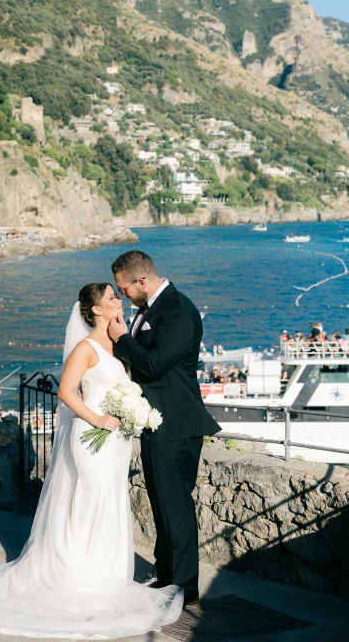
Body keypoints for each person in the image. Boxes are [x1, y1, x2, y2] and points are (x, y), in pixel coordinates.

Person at [0, 282, 182, 637]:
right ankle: (84, 578)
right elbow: (66, 392)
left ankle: (108, 576)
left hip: (117, 442)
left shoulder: (121, 343)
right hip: (91, 439)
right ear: (96, 310)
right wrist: (97, 419)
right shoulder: (85, 348)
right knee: (91, 501)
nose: (120, 300)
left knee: (111, 501)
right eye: (112, 297)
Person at [109, 250, 221, 608]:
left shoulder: (177, 312)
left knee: (176, 506)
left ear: (141, 282)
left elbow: (155, 365)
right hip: (155, 419)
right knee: (161, 504)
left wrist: (122, 339)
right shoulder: (150, 308)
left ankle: (186, 588)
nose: (122, 294)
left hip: (176, 421)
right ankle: (168, 576)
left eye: (123, 287)